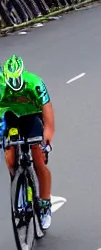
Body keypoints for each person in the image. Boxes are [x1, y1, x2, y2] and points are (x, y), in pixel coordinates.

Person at [0, 56, 55, 230]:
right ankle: (18, 180)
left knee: (39, 160)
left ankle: (45, 205)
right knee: (9, 156)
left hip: (31, 116)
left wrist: (47, 137)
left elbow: (47, 111)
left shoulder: (34, 83)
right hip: (10, 117)